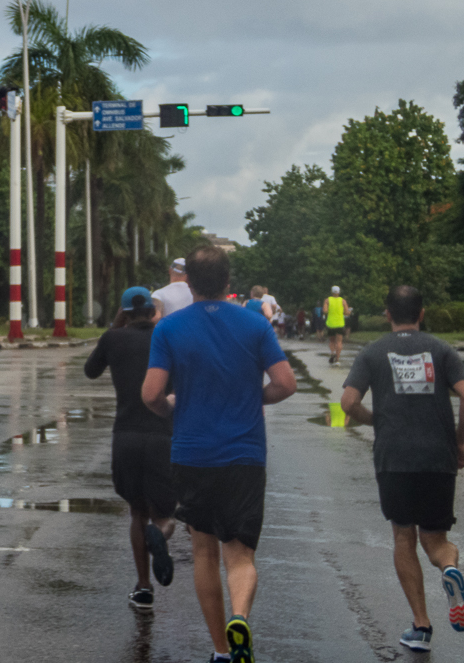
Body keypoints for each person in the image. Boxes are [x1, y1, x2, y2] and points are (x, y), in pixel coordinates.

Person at [142, 245, 297, 663]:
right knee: (241, 554)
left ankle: (220, 650)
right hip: (245, 455)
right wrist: (252, 397)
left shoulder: (169, 329)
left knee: (204, 552)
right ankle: (240, 617)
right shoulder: (254, 324)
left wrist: (175, 410)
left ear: (188, 283)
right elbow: (286, 383)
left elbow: (151, 394)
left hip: (192, 454)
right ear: (228, 283)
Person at [340, 286, 464, 653]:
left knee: (404, 537)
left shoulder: (372, 352)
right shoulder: (442, 349)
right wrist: (459, 440)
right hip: (438, 458)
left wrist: (377, 421)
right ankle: (449, 569)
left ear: (388, 314)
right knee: (436, 541)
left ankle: (421, 626)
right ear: (421, 313)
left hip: (395, 459)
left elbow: (348, 402)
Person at [85, 287, 177, 612]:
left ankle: (143, 588)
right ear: (153, 310)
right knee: (164, 514)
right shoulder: (167, 337)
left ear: (123, 311)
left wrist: (115, 327)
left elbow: (90, 370)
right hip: (162, 436)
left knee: (136, 511)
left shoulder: (113, 339)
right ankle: (162, 534)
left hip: (125, 435)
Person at [323, 286, 351, 365]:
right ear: (339, 292)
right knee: (339, 342)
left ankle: (332, 353)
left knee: (331, 340)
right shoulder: (343, 301)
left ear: (332, 292)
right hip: (340, 323)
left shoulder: (327, 300)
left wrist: (331, 310)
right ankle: (337, 359)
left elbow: (325, 311)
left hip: (331, 323)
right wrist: (346, 312)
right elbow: (346, 312)